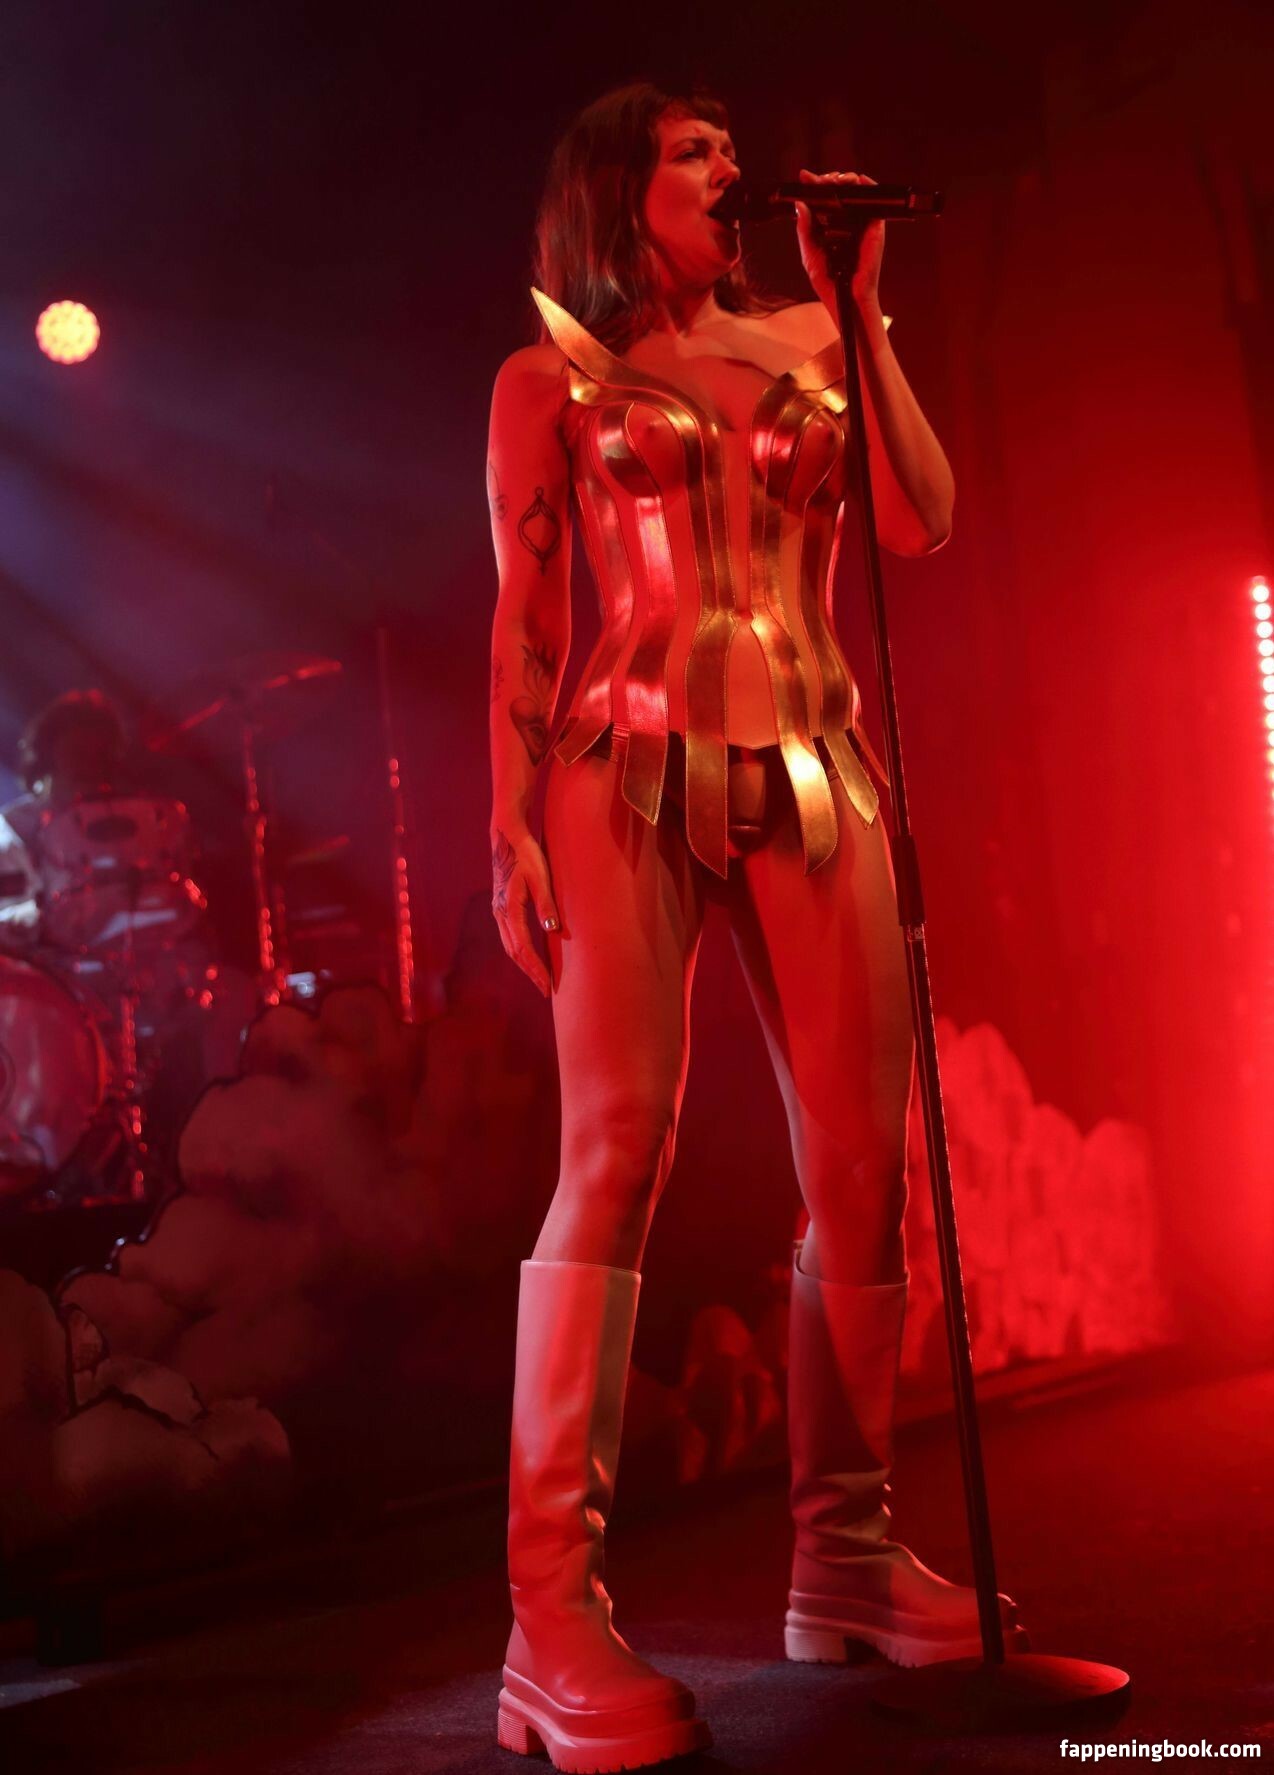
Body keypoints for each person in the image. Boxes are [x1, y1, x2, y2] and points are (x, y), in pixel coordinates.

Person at [487, 82, 1025, 1771]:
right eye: (694, 151)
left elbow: (923, 517)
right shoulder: (549, 374)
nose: (729, 170)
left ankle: (845, 1553)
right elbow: (528, 605)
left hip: (813, 763)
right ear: (619, 189)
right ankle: (548, 1617)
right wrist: (506, 814)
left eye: (730, 148)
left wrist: (858, 309)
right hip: (619, 765)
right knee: (617, 1148)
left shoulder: (812, 337)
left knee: (862, 1161)